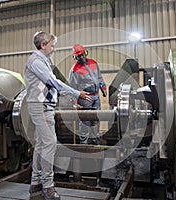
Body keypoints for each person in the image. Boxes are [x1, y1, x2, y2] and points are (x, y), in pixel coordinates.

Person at [24, 32, 92, 200]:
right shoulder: (36, 61)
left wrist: (70, 96)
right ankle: (48, 187)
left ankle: (35, 184)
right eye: (52, 45)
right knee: (49, 143)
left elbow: (54, 85)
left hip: (47, 106)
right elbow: (53, 82)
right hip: (39, 106)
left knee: (41, 144)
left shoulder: (45, 61)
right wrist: (76, 93)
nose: (54, 49)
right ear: (43, 45)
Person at [68, 44, 107, 145]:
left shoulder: (93, 63)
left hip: (96, 96)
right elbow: (72, 87)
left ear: (85, 53)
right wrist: (74, 102)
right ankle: (83, 144)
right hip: (85, 98)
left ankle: (96, 142)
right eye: (78, 56)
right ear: (75, 57)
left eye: (82, 55)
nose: (81, 57)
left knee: (96, 120)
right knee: (85, 122)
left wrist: (103, 87)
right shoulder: (74, 70)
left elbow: (99, 77)